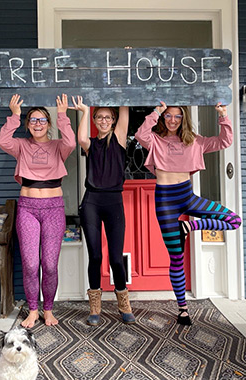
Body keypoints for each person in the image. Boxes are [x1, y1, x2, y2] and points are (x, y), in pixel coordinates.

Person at [134, 101, 242, 325]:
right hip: (165, 200)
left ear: (184, 119)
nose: (172, 120)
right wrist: (155, 111)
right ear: (164, 118)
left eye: (177, 117)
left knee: (233, 220)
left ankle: (191, 226)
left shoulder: (195, 141)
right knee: (176, 258)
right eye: (168, 116)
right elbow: (140, 133)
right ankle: (182, 308)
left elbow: (225, 140)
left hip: (187, 196)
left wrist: (223, 115)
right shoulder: (155, 140)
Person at [0, 93, 77, 327]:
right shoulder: (21, 146)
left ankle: (48, 309)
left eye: (42, 120)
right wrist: (14, 116)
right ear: (28, 124)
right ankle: (33, 310)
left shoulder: (58, 147)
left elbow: (71, 142)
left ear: (48, 124)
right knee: (31, 264)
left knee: (49, 264)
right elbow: (3, 140)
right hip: (28, 208)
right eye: (33, 120)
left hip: (53, 208)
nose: (38, 124)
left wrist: (62, 115)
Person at [73, 96, 135, 326]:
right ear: (94, 120)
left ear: (113, 120)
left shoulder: (118, 139)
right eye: (99, 117)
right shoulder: (91, 144)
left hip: (113, 202)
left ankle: (123, 304)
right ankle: (95, 307)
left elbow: (124, 107)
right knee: (96, 256)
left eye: (107, 117)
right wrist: (83, 111)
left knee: (116, 259)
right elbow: (80, 137)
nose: (103, 120)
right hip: (92, 202)